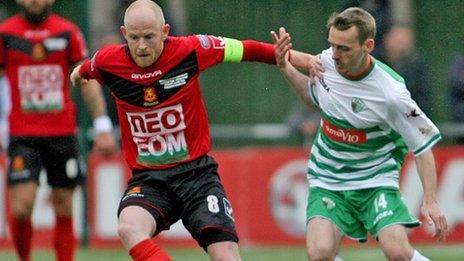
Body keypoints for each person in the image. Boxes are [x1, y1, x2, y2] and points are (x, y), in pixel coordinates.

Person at [70, 1, 316, 260]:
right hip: (149, 180)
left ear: (165, 31)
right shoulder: (109, 61)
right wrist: (77, 76)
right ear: (124, 34)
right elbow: (83, 71)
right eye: (134, 37)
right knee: (129, 227)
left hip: (197, 177)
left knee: (227, 257)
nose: (142, 46)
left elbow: (248, 50)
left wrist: (308, 60)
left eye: (149, 37)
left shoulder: (192, 49)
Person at [272, 7, 448, 261]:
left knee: (397, 251)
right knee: (319, 253)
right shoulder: (328, 62)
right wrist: (285, 67)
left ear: (368, 45)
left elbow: (422, 147)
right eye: (332, 46)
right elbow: (313, 101)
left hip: (375, 180)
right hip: (328, 179)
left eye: (344, 49)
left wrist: (430, 200)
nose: (335, 55)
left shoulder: (391, 93)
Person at [0, 0, 117, 260]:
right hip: (22, 135)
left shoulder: (67, 32)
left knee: (64, 204)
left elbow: (86, 80)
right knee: (21, 206)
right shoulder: (6, 34)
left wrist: (102, 125)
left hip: (62, 133)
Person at [382, 25, 432, 116]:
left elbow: (423, 99)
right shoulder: (378, 65)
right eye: (398, 42)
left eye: (404, 43)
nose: (402, 47)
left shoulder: (417, 70)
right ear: (387, 42)